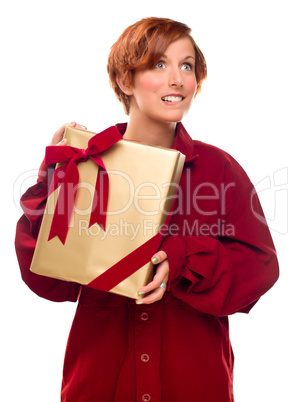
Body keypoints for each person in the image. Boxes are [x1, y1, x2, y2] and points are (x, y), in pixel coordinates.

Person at [15, 17, 279, 402]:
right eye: (159, 64)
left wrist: (184, 260)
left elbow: (260, 269)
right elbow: (47, 277)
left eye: (186, 65)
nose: (177, 78)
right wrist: (53, 178)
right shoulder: (86, 165)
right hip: (100, 385)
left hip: (193, 386)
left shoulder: (219, 170)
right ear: (125, 80)